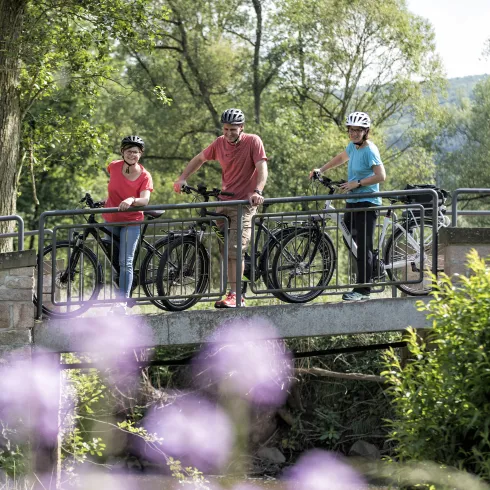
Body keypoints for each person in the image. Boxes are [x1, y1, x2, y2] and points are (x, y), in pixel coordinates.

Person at [173, 108, 268, 308]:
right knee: (226, 250)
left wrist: (258, 191)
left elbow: (262, 169)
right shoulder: (219, 143)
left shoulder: (253, 141)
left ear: (241, 127)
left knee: (234, 251)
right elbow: (200, 158)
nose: (228, 133)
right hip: (223, 203)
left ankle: (236, 295)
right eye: (225, 129)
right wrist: (183, 178)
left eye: (233, 129)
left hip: (244, 204)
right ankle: (234, 285)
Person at [309, 111, 386, 301]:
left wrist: (357, 183)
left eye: (358, 131)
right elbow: (341, 158)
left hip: (367, 203)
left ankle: (363, 290)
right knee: (349, 239)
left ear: (365, 131)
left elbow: (381, 176)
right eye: (351, 130)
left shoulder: (370, 150)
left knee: (363, 246)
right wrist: (322, 169)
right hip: (352, 201)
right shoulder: (353, 147)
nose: (354, 133)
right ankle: (374, 266)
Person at [102, 135, 154, 314]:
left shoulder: (145, 176)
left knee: (126, 262)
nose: (133, 155)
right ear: (122, 152)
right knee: (114, 262)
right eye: (129, 151)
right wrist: (105, 201)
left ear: (140, 154)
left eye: (136, 152)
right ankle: (119, 296)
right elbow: (114, 188)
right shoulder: (114, 166)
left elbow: (145, 200)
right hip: (110, 219)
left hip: (131, 222)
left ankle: (122, 302)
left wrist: (132, 199)